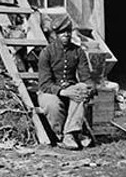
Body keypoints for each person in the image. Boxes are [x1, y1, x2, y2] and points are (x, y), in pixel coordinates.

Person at [37, 14, 93, 150]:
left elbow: (85, 77)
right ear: (56, 34)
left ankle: (70, 134)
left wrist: (89, 88)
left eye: (68, 31)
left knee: (81, 91)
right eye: (62, 32)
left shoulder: (78, 51)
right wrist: (63, 92)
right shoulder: (47, 53)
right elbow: (44, 84)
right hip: (50, 91)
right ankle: (60, 135)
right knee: (52, 104)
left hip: (71, 89)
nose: (66, 35)